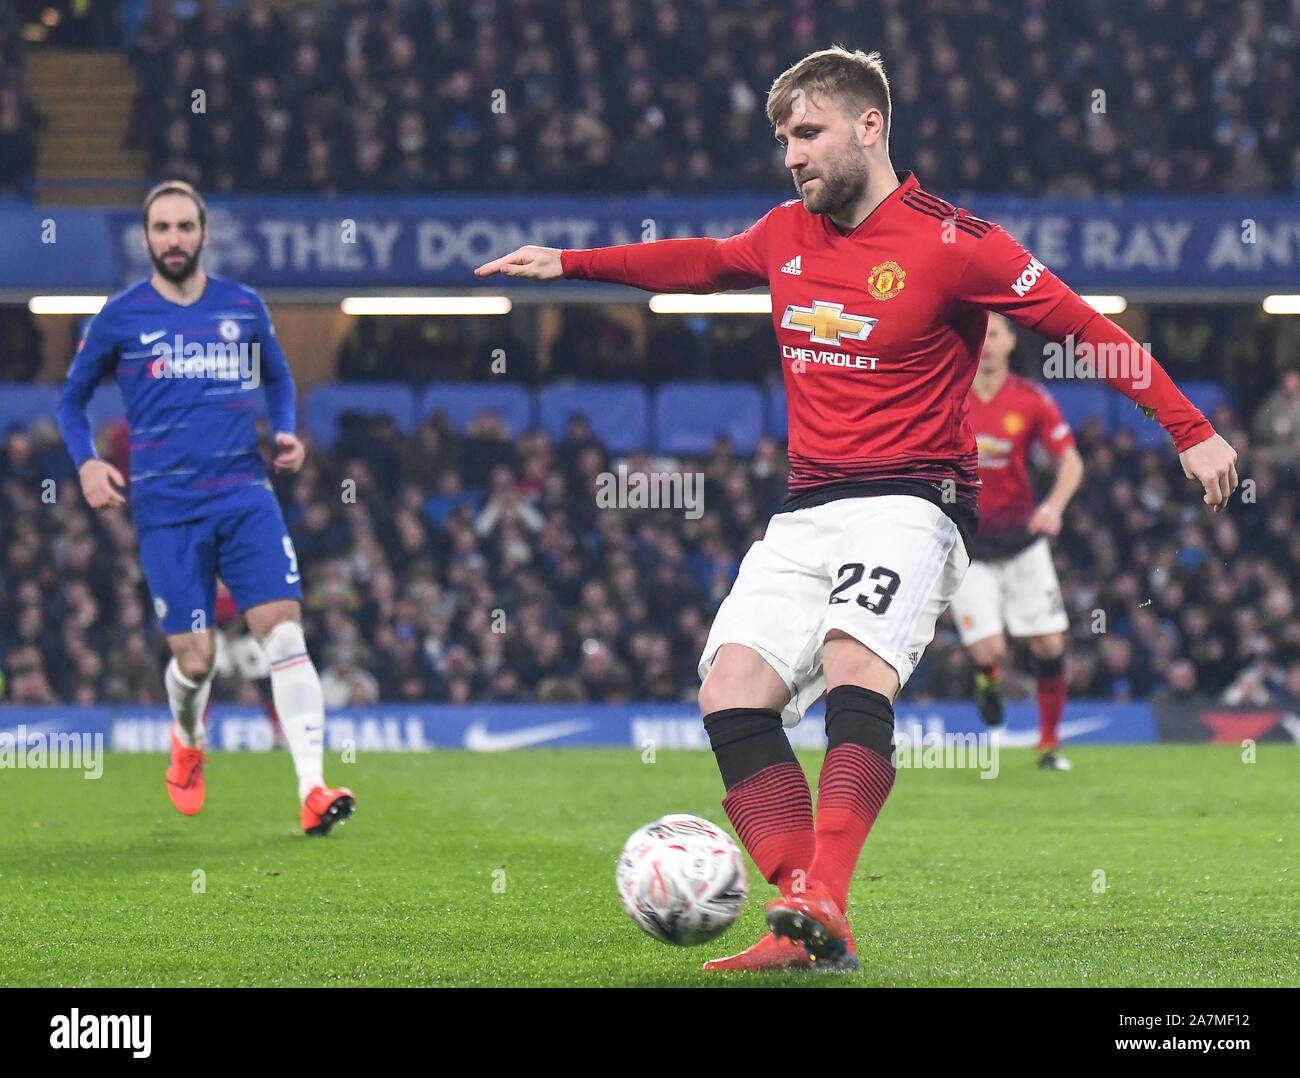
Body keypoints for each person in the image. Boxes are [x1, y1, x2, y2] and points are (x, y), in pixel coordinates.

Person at [476, 47, 1237, 972]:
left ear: (869, 126)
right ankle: (804, 911)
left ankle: (824, 895)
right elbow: (704, 264)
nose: (791, 156)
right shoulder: (784, 232)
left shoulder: (959, 243)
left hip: (916, 500)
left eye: (807, 133)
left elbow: (1086, 328)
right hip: (807, 509)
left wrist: (1190, 427)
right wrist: (571, 262)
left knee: (851, 670)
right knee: (730, 693)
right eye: (781, 139)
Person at [58, 180, 355, 836]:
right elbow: (70, 399)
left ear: (202, 234)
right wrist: (85, 461)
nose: (173, 239)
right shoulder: (120, 316)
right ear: (147, 238)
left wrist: (284, 428)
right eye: (161, 228)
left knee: (283, 632)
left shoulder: (242, 306)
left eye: (184, 227)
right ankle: (188, 742)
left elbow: (278, 377)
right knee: (197, 661)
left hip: (245, 493)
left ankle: (312, 788)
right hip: (166, 505)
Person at [948, 313, 1083, 769]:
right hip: (968, 545)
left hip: (1023, 540)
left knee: (1048, 643)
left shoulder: (1030, 399)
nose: (986, 343)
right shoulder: (949, 394)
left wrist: (1054, 507)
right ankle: (987, 677)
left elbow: (1070, 462)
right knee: (991, 650)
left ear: (1010, 343)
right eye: (980, 333)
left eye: (997, 334)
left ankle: (1048, 744)